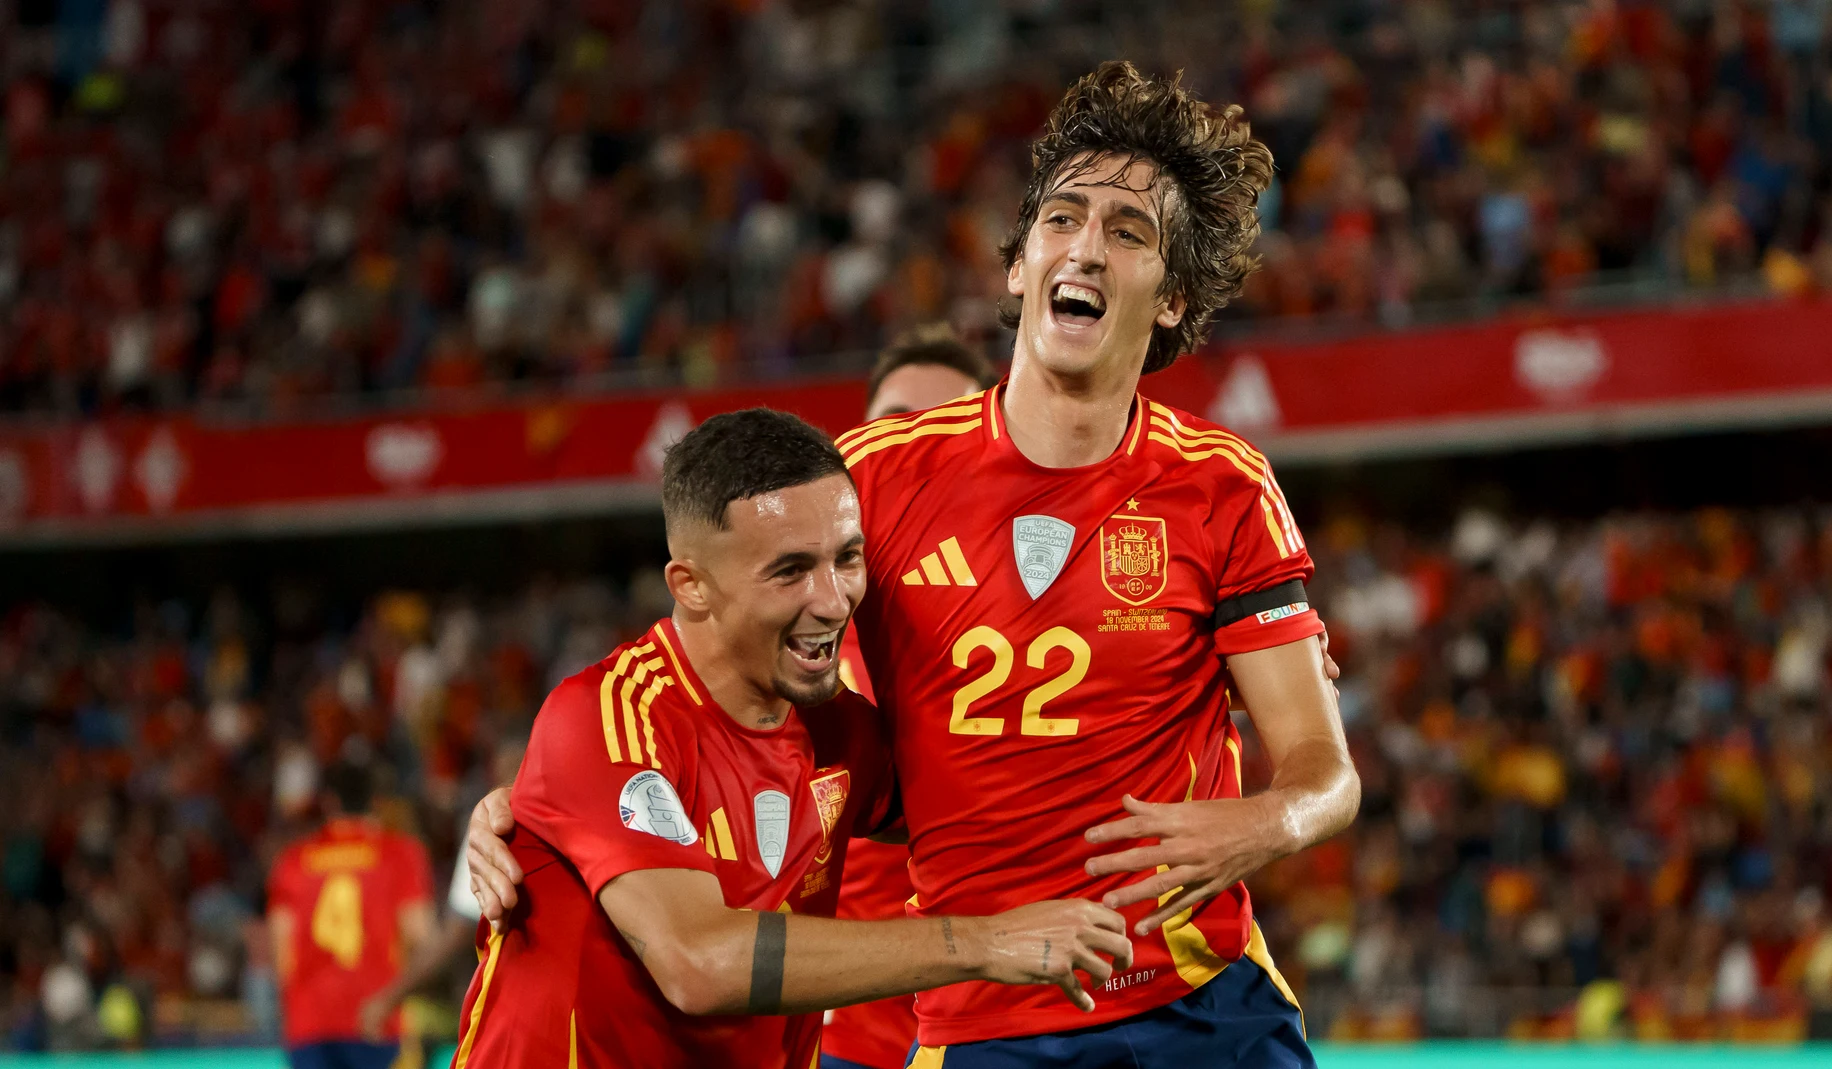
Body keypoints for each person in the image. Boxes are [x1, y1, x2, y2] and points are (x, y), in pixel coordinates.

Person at [472, 62, 1356, 1068]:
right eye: (1062, 220)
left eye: (1128, 232)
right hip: (981, 1010)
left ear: (1172, 298)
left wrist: (1263, 825)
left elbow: (1325, 775)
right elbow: (703, 667)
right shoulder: (875, 475)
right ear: (1019, 266)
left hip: (1196, 999)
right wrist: (534, 800)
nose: (1087, 248)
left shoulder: (1222, 485)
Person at [448, 408, 1131, 1069]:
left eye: (848, 558)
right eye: (790, 570)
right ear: (692, 586)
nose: (833, 599)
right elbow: (698, 962)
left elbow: (997, 809)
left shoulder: (838, 729)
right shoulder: (607, 716)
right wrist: (983, 942)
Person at [826, 326, 999, 1069]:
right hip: (842, 1044)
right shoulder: (780, 629)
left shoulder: (1052, 616)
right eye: (895, 426)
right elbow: (643, 735)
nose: (913, 452)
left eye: (945, 429)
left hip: (1005, 1029)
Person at [355, 737, 528, 1043]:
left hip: (509, 1010)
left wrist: (388, 998)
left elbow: (455, 934)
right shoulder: (564, 815)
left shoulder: (491, 823)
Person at [268, 761, 436, 1069]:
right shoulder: (400, 854)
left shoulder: (293, 861)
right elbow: (421, 937)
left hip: (310, 1025)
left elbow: (281, 953)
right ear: (377, 801)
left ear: (329, 801)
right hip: (377, 1019)